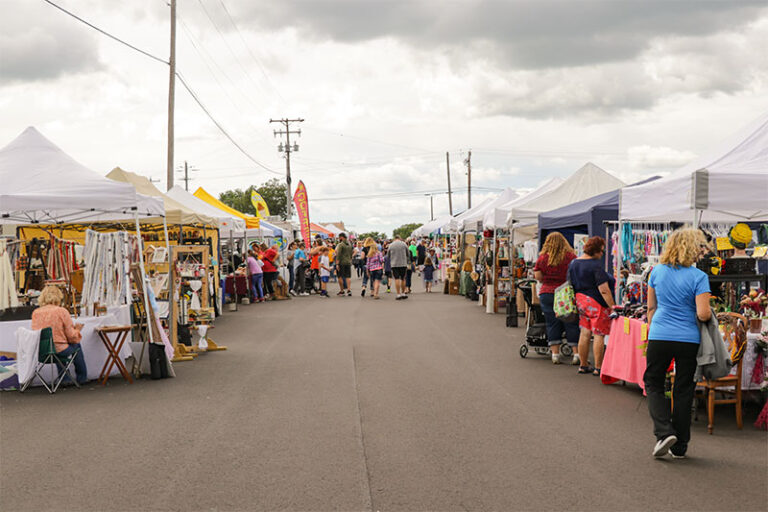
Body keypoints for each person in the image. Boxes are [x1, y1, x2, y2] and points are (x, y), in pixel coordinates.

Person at [644, 228, 711, 459]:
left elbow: (651, 308)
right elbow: (703, 314)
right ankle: (680, 445)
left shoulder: (656, 272)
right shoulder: (698, 277)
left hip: (660, 334)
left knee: (653, 382)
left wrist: (654, 329)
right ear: (692, 249)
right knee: (683, 389)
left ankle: (663, 432)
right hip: (688, 338)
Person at [568, 236, 615, 375]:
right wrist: (612, 306)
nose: (602, 254)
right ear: (595, 250)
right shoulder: (595, 265)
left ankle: (583, 365)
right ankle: (598, 367)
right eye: (601, 251)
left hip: (580, 301)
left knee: (584, 332)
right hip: (596, 302)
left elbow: (570, 284)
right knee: (599, 334)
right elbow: (604, 289)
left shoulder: (573, 263)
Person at [534, 232, 580, 365]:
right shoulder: (571, 257)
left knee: (552, 322)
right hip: (566, 292)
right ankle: (576, 354)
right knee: (571, 321)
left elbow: (538, 277)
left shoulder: (543, 258)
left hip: (547, 292)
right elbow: (575, 274)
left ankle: (555, 354)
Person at [30, 285, 88, 385]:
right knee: (74, 345)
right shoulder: (61, 311)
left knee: (54, 345)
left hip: (41, 351)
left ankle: (65, 379)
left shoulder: (36, 313)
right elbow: (71, 336)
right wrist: (77, 330)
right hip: (59, 349)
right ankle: (82, 378)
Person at [388, 235, 409, 300]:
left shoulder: (391, 245)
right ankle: (403, 293)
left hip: (394, 264)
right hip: (403, 263)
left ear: (395, 238)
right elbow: (408, 254)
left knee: (396, 278)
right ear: (400, 238)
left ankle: (398, 294)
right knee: (403, 278)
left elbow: (388, 255)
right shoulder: (404, 244)